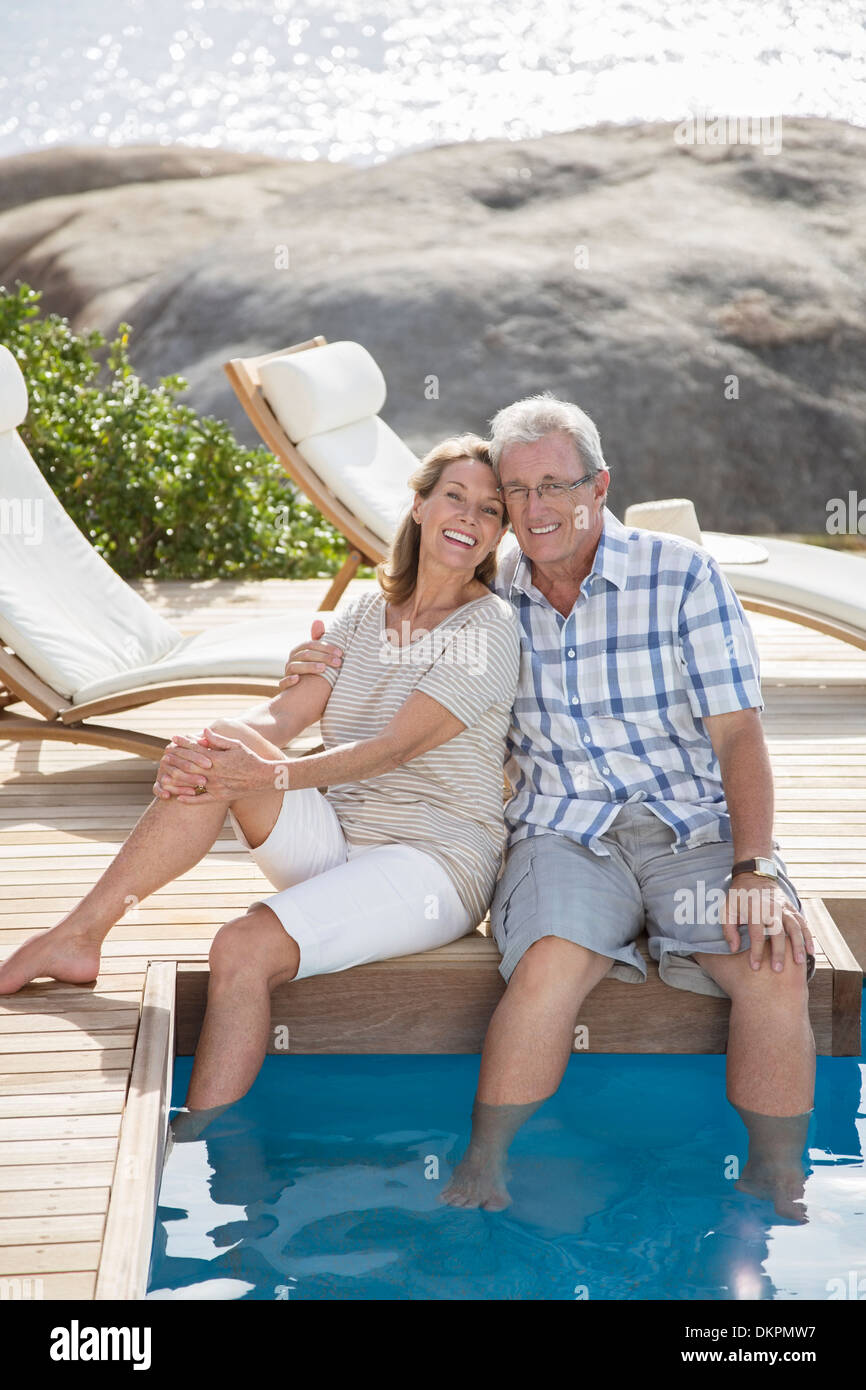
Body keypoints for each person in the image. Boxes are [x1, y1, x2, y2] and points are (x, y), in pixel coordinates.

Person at [286, 397, 816, 1220]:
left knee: (774, 964)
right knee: (547, 966)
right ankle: (486, 1163)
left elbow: (740, 736)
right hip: (563, 834)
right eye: (517, 491)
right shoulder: (489, 603)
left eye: (554, 486)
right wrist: (317, 658)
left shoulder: (680, 576)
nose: (534, 510)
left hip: (692, 831)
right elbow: (397, 642)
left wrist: (754, 866)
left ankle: (776, 1178)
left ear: (597, 488)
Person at [0, 435, 521, 1140]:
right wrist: (198, 752)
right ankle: (80, 934)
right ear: (421, 505)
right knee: (220, 737)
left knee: (242, 947)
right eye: (455, 496)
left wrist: (264, 773)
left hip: (431, 862)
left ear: (498, 533)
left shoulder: (488, 629)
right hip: (339, 835)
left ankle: (199, 1135)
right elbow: (282, 715)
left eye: (490, 509)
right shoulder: (368, 611)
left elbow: (390, 748)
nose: (470, 516)